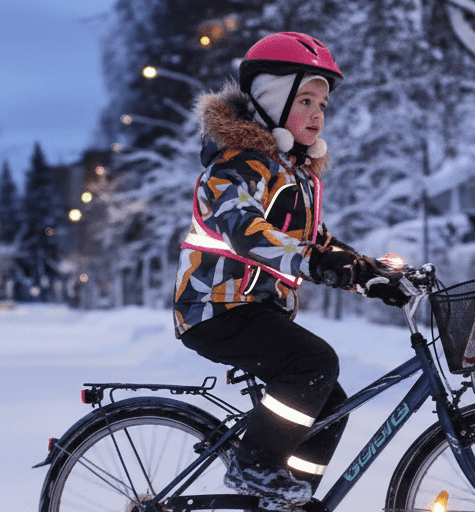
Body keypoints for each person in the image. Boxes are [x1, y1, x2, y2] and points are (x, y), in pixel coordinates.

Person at [171, 32, 407, 512]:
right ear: (273, 104)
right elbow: (249, 234)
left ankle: (287, 502)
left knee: (329, 409)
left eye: (322, 102)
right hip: (215, 307)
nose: (317, 114)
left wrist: (370, 273)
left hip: (256, 310)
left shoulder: (289, 172)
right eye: (304, 100)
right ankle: (255, 465)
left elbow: (316, 242)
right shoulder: (234, 167)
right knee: (313, 363)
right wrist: (320, 262)